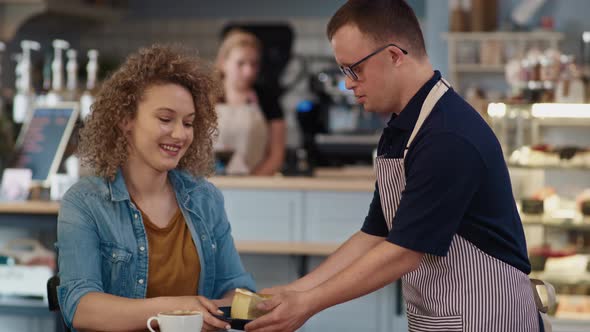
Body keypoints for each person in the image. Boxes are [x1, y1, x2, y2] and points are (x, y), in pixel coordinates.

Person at [245, 1, 546, 332]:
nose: (347, 83)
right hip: (446, 315)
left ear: (393, 56)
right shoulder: (403, 128)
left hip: (489, 317)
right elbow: (375, 233)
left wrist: (309, 303)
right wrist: (296, 291)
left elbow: (405, 251)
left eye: (353, 69)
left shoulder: (447, 134)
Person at [56, 44, 255, 332]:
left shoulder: (204, 198)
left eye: (188, 123)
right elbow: (80, 306)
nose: (180, 134)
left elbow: (237, 289)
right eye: (165, 119)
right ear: (126, 120)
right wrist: (175, 310)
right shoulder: (85, 202)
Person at [214, 29, 286, 175]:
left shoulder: (268, 99)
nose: (249, 71)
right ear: (223, 63)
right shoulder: (205, 98)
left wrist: (252, 182)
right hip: (210, 183)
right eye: (240, 63)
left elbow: (276, 155)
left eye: (254, 64)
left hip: (255, 185)